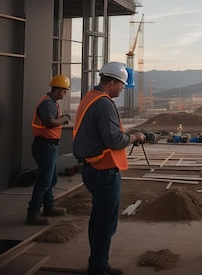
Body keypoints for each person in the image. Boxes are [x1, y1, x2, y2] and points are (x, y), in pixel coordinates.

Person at [72, 62, 146, 275]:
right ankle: (97, 268)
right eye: (121, 85)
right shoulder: (104, 104)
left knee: (98, 220)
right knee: (105, 224)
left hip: (92, 169)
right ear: (112, 82)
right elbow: (114, 139)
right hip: (103, 171)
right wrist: (134, 137)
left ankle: (99, 263)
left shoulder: (90, 97)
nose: (122, 89)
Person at [26, 74, 72, 226]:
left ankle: (49, 206)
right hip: (44, 146)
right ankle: (33, 214)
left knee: (51, 179)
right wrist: (64, 118)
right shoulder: (47, 104)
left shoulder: (52, 103)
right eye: (64, 90)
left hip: (48, 145)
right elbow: (49, 122)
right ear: (58, 89)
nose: (65, 93)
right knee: (44, 181)